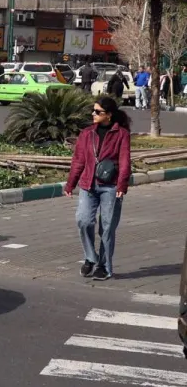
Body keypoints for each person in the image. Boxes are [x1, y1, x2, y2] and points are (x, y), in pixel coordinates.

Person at [64, 94, 131, 281]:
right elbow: (78, 160)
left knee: (107, 228)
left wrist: (122, 184)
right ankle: (90, 258)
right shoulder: (87, 133)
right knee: (83, 220)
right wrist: (70, 184)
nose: (93, 114)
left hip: (111, 187)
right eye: (93, 111)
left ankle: (104, 266)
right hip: (88, 185)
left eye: (98, 111)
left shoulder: (122, 135)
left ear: (109, 115)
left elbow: (125, 161)